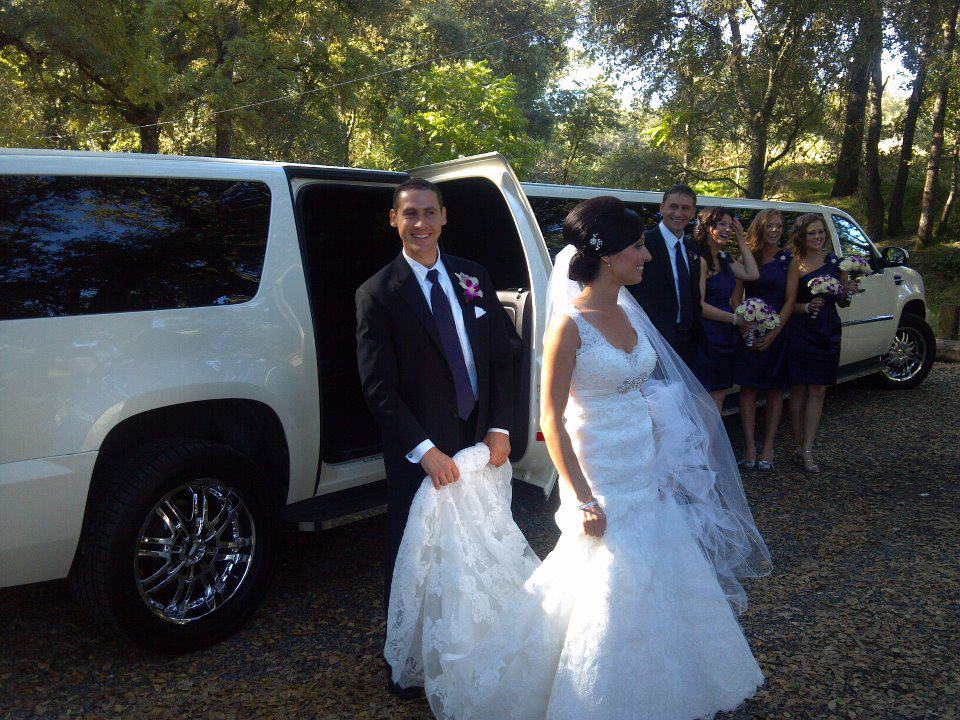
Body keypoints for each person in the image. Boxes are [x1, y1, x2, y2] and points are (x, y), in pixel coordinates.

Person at [385, 196, 771, 720]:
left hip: (641, 470)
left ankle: (661, 687)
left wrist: (661, 457)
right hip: (600, 473)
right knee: (604, 584)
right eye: (638, 247)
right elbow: (551, 419)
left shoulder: (628, 313)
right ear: (608, 255)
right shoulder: (570, 325)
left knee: (658, 573)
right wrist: (583, 497)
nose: (647, 256)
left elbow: (643, 392)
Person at [354, 177, 516, 699]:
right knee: (414, 552)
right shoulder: (378, 293)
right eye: (410, 214)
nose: (420, 223)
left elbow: (501, 355)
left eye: (429, 212)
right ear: (394, 220)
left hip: (478, 442)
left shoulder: (473, 276)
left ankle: (474, 646)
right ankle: (410, 661)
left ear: (444, 216)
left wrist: (500, 427)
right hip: (422, 451)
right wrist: (424, 451)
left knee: (478, 544)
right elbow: (378, 388)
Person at [786, 213, 857, 473]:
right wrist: (807, 306)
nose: (817, 237)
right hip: (801, 329)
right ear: (802, 236)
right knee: (798, 390)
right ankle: (797, 445)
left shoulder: (836, 262)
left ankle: (808, 449)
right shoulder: (794, 263)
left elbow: (843, 302)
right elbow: (787, 303)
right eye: (811, 233)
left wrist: (848, 291)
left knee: (818, 389)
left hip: (828, 328)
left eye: (820, 232)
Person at [736, 210, 798, 471]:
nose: (775, 230)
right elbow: (735, 298)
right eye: (770, 225)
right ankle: (750, 445)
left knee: (775, 390)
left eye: (779, 226)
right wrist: (744, 326)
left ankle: (769, 446)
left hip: (778, 333)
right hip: (749, 330)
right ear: (760, 227)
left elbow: (790, 300)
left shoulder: (788, 260)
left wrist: (773, 333)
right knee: (748, 389)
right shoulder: (746, 257)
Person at [626, 182, 703, 370]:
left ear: (693, 213)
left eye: (685, 208)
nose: (679, 213)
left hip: (688, 342)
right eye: (673, 206)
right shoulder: (642, 244)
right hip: (652, 340)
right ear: (662, 208)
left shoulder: (692, 248)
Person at [694, 207, 759, 412]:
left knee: (720, 395)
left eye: (731, 226)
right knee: (706, 396)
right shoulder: (701, 260)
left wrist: (741, 241)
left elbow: (752, 274)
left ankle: (714, 434)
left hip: (725, 333)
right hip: (706, 335)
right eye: (722, 224)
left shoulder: (724, 258)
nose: (727, 230)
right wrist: (736, 320)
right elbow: (699, 305)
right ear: (707, 226)